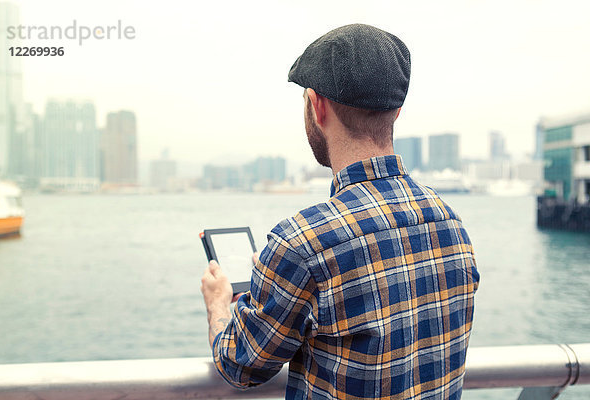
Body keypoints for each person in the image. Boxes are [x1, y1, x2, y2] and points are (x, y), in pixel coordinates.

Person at [201, 23, 480, 399]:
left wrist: (220, 304)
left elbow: (240, 364)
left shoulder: (301, 244)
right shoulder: (450, 223)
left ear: (317, 106)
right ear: (396, 112)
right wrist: (277, 288)